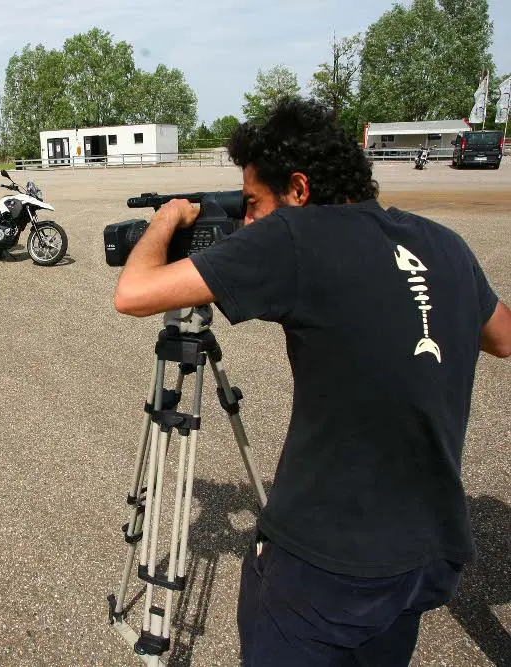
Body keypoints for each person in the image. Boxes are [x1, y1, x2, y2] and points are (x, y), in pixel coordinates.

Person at [113, 97, 511, 666]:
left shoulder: (297, 237)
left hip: (326, 566)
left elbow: (133, 294)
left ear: (299, 190)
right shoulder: (444, 242)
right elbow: (503, 337)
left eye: (253, 204)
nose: (248, 222)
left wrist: (167, 219)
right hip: (427, 552)